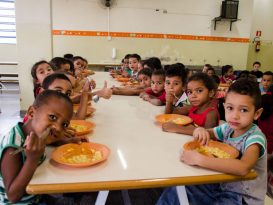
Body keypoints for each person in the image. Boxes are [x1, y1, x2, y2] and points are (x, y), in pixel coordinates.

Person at [157, 79, 266, 205]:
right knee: (177, 188)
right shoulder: (228, 128)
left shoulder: (255, 138)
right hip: (221, 185)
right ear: (224, 107)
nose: (234, 116)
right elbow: (210, 132)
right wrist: (200, 130)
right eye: (230, 108)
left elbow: (243, 168)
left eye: (243, 110)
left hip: (243, 197)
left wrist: (199, 159)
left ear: (257, 113)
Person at [0, 90, 73, 204]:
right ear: (31, 113)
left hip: (38, 195)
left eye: (64, 124)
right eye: (52, 117)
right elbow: (12, 196)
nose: (58, 128)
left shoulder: (38, 133)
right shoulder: (13, 147)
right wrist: (32, 159)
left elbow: (47, 139)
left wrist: (64, 141)